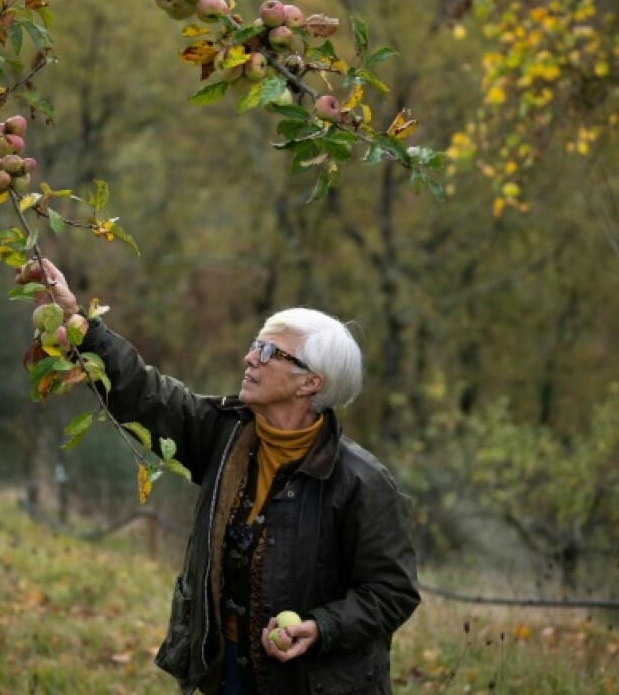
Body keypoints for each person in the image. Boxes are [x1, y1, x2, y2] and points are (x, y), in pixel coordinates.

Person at [22, 259, 420, 695]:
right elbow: (146, 394)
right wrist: (81, 322)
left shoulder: (361, 482)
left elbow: (393, 591)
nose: (250, 357)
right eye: (255, 345)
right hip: (226, 671)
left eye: (270, 353)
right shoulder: (225, 435)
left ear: (311, 383)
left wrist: (321, 627)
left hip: (313, 684)